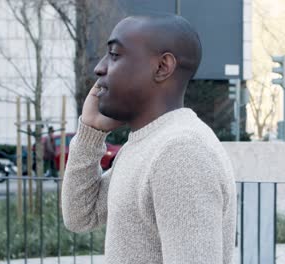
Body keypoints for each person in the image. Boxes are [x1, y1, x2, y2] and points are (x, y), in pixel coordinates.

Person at [61, 14, 236, 263]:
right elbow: (80, 215)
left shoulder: (181, 152)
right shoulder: (150, 144)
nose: (99, 67)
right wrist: (91, 131)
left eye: (115, 54)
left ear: (162, 67)